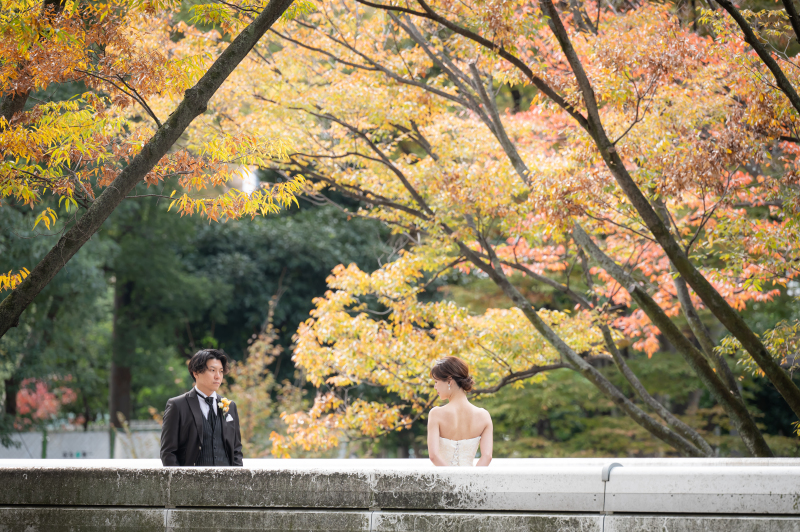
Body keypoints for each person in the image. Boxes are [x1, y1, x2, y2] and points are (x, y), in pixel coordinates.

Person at [160, 349, 243, 467]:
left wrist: (237, 480)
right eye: (212, 370)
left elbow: (236, 450)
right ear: (196, 373)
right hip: (191, 482)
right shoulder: (177, 406)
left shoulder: (230, 406)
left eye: (221, 371)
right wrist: (181, 483)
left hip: (226, 482)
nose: (218, 376)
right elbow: (168, 452)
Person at [427, 356, 493, 467]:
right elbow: (487, 457)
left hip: (444, 480)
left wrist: (452, 480)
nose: (435, 387)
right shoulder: (484, 416)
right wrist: (471, 481)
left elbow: (433, 456)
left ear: (449, 381)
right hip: (470, 482)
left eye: (436, 382)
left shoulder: (436, 414)